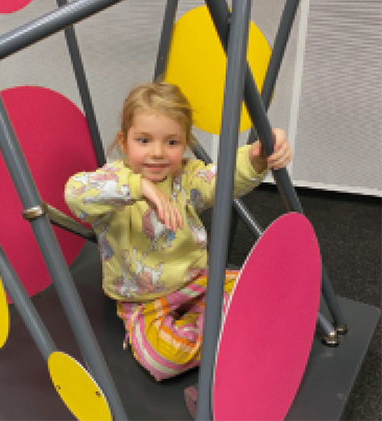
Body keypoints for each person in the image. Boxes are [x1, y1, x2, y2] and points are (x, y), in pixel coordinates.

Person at [64, 81, 292, 381]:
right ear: (124, 141)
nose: (158, 153)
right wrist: (140, 187)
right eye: (144, 140)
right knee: (162, 361)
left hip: (196, 281)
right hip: (144, 300)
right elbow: (75, 193)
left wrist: (257, 155)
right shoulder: (114, 181)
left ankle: (214, 326)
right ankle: (225, 330)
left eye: (171, 142)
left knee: (273, 287)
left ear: (184, 143)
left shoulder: (186, 176)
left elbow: (220, 178)